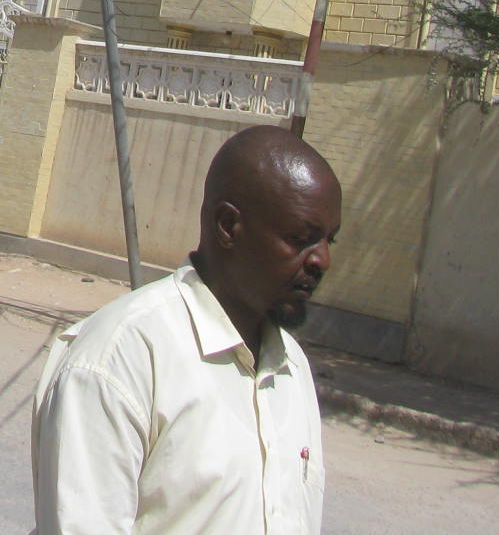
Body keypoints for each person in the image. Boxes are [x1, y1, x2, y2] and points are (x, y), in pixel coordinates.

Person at [32, 124, 342, 535]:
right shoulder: (121, 358)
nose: (321, 260)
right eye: (301, 238)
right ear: (229, 226)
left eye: (328, 241)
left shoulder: (292, 367)